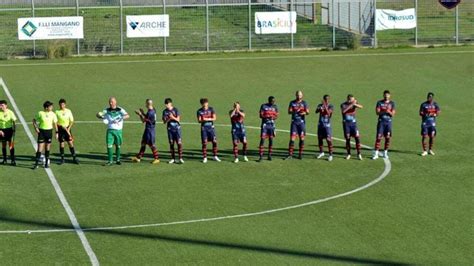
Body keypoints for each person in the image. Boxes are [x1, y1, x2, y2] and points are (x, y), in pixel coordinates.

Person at [96, 97, 129, 166]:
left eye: (112, 102)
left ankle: (118, 160)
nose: (110, 103)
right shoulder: (106, 110)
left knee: (118, 146)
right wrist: (99, 115)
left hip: (118, 131)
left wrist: (121, 118)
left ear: (115, 102)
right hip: (110, 131)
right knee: (109, 145)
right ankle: (110, 161)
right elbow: (100, 114)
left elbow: (127, 115)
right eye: (109, 102)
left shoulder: (120, 109)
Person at [131, 99, 160, 164]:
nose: (145, 105)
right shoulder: (153, 110)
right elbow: (147, 118)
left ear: (147, 104)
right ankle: (138, 158)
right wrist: (143, 113)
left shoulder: (150, 112)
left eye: (146, 104)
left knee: (151, 145)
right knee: (143, 143)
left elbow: (143, 120)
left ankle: (157, 158)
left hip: (150, 130)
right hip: (148, 129)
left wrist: (140, 114)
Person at [33, 101, 58, 169]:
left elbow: (55, 124)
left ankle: (46, 163)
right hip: (42, 132)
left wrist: (56, 133)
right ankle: (36, 163)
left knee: (47, 148)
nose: (52, 107)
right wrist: (36, 128)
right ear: (46, 107)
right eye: (50, 106)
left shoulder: (53, 114)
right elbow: (34, 120)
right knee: (40, 148)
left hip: (49, 132)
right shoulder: (40, 113)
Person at [285, 90, 309, 160]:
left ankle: (300, 154)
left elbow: (308, 112)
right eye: (298, 95)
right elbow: (289, 111)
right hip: (294, 123)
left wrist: (303, 113)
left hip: (301, 123)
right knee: (292, 139)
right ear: (296, 95)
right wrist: (294, 111)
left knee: (302, 138)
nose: (299, 96)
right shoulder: (292, 102)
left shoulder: (304, 103)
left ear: (302, 95)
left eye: (300, 95)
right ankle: (290, 154)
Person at [372, 90, 396, 160]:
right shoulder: (379, 102)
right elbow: (377, 112)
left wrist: (389, 111)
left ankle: (385, 153)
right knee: (378, 138)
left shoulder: (392, 103)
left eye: (387, 95)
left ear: (389, 95)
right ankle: (376, 153)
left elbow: (393, 114)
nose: (386, 96)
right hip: (381, 122)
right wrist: (384, 111)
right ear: (383, 95)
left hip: (388, 123)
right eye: (385, 95)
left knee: (388, 138)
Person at [196, 98, 220, 163]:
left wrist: (207, 118)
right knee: (204, 143)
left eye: (206, 103)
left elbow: (214, 118)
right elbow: (199, 120)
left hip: (211, 128)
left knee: (214, 142)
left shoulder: (211, 109)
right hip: (204, 129)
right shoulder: (199, 111)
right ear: (202, 104)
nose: (206, 105)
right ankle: (205, 157)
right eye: (204, 104)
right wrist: (204, 120)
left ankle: (215, 156)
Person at [55, 99, 79, 164]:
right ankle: (62, 159)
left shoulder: (68, 111)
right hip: (60, 130)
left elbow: (72, 121)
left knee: (70, 143)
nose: (61, 106)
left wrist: (68, 129)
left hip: (67, 129)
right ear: (59, 105)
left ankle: (74, 157)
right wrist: (60, 125)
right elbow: (55, 122)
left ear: (65, 104)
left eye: (63, 104)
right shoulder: (57, 112)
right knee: (62, 144)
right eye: (60, 104)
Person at [341, 94, 364, 160]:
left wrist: (355, 104)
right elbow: (344, 111)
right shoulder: (343, 104)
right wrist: (351, 105)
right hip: (346, 125)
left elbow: (361, 107)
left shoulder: (354, 104)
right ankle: (348, 154)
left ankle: (359, 153)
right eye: (352, 99)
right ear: (348, 99)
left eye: (353, 99)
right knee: (347, 139)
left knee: (357, 138)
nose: (353, 100)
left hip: (353, 124)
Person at [162, 98, 184, 164]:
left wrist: (172, 117)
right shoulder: (165, 111)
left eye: (167, 104)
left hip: (177, 129)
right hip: (170, 130)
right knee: (171, 144)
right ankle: (172, 158)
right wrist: (168, 118)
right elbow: (164, 122)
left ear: (170, 103)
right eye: (165, 104)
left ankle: (180, 158)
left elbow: (178, 119)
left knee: (179, 143)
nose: (166, 105)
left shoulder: (175, 110)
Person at [258, 96, 279, 162]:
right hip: (265, 125)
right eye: (272, 101)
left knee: (271, 140)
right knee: (262, 140)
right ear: (269, 100)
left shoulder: (275, 107)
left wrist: (273, 117)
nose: (273, 102)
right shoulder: (263, 106)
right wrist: (266, 116)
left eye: (274, 101)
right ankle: (261, 156)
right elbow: (260, 115)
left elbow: (276, 116)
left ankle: (269, 155)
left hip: (271, 126)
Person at [419, 92, 440, 156]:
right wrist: (426, 114)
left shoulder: (435, 104)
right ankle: (425, 150)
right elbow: (420, 113)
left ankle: (430, 150)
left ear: (432, 98)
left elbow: (438, 112)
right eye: (428, 97)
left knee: (432, 136)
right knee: (424, 136)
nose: (429, 98)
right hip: (425, 123)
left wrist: (434, 114)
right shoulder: (423, 104)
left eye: (431, 97)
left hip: (432, 123)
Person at [315, 95, 334, 161]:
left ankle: (330, 155)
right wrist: (319, 108)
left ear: (329, 100)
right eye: (325, 99)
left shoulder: (331, 106)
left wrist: (325, 106)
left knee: (328, 140)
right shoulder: (320, 105)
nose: (326, 100)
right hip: (320, 125)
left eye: (327, 99)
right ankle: (321, 152)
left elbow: (329, 113)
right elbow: (316, 111)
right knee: (320, 139)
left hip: (327, 126)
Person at [0, 100, 17, 166]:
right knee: (3, 145)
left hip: (9, 130)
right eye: (0, 105)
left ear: (6, 106)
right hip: (2, 131)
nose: (1, 107)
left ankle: (13, 160)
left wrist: (14, 130)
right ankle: (4, 160)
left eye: (2, 105)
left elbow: (14, 121)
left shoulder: (10, 112)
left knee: (11, 145)